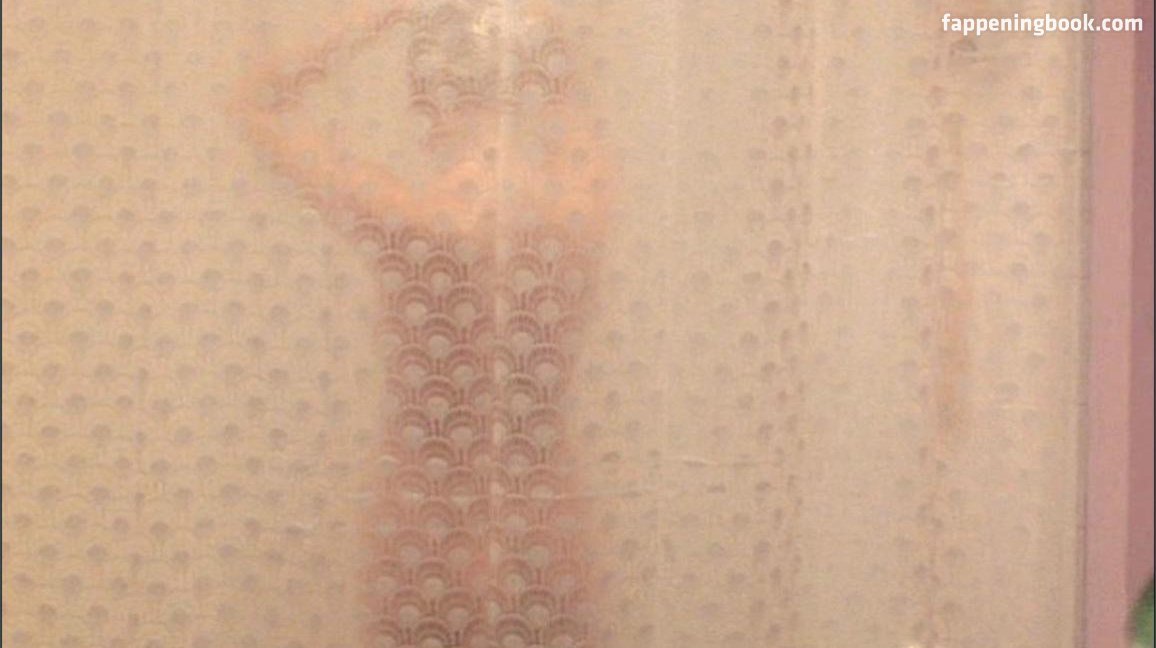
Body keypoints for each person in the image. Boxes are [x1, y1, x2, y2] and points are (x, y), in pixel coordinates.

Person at [232, 1, 611, 645]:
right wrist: (534, 27)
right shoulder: (579, 207)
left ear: (427, 103)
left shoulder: (411, 218)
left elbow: (255, 104)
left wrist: (379, 14)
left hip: (427, 527)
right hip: (545, 524)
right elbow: (571, 94)